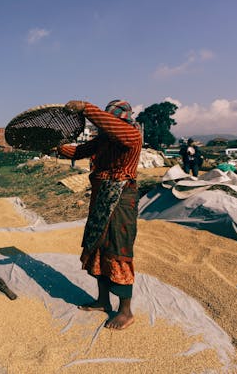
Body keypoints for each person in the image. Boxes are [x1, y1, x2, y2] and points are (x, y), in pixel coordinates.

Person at [55, 99, 142, 330]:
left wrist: (86, 108)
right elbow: (76, 151)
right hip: (101, 197)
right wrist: (53, 145)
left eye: (109, 121)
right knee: (97, 247)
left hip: (121, 199)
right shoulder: (104, 139)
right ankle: (103, 301)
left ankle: (126, 311)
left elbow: (115, 128)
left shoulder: (131, 133)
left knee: (118, 249)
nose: (106, 127)